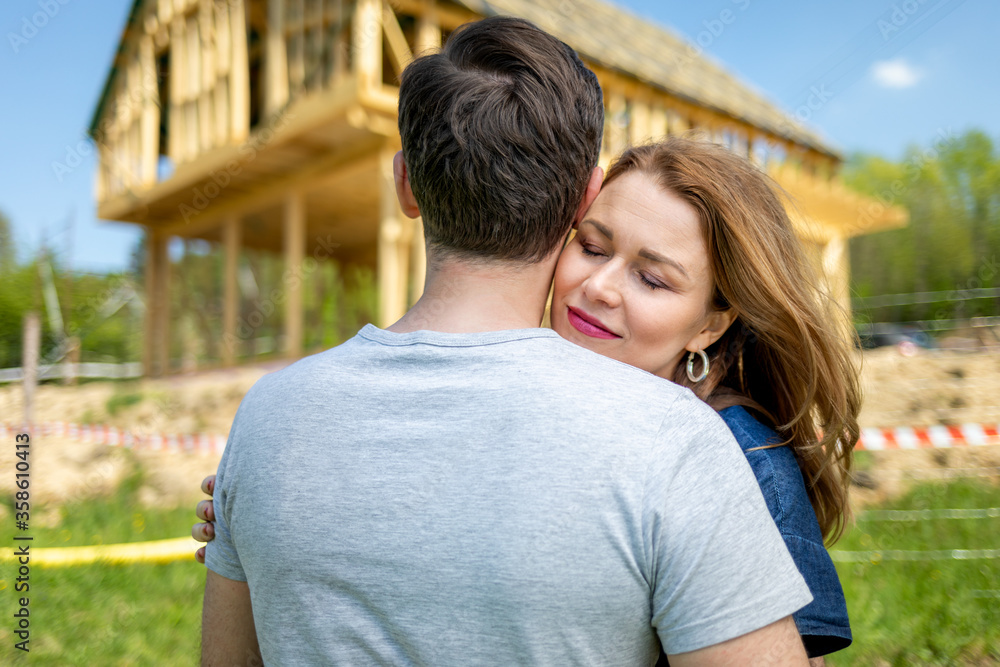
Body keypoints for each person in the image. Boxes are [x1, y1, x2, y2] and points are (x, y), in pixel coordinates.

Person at [200, 16, 814, 666]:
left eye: (652, 277)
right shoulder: (679, 446)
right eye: (598, 248)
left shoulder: (265, 420)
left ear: (407, 183)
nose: (606, 289)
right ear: (585, 198)